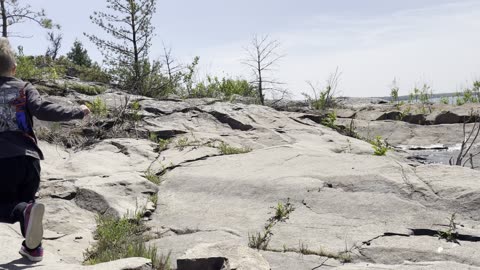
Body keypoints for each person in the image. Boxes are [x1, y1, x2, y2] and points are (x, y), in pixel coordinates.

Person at [0, 38, 90, 262]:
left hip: (2, 161)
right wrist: (77, 111)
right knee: (28, 207)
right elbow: (43, 109)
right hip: (29, 160)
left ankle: (26, 217)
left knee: (13, 207)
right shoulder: (24, 87)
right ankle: (33, 249)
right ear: (14, 68)